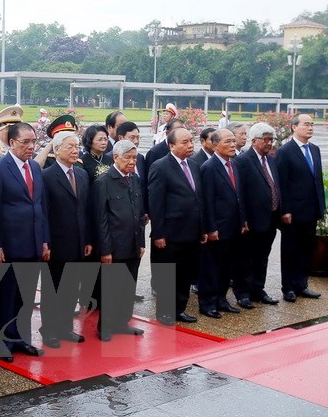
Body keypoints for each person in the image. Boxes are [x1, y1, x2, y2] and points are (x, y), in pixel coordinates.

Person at [0, 122, 50, 360]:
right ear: (11, 143)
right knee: (6, 297)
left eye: (33, 142)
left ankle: (21, 338)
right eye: (25, 142)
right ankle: (3, 342)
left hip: (33, 244)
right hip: (10, 247)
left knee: (26, 297)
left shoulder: (34, 167)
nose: (31, 147)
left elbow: (40, 207)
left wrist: (44, 241)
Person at [148, 127, 205, 325]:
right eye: (185, 142)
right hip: (170, 233)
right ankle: (165, 312)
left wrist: (202, 229)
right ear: (171, 145)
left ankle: (179, 309)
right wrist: (159, 233)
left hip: (192, 231)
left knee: (185, 274)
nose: (190, 145)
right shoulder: (160, 166)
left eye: (191, 141)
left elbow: (199, 199)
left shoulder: (195, 165)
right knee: (167, 275)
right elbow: (156, 203)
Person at [40, 127, 91, 347]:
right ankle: (49, 329)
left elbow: (85, 210)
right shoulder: (47, 176)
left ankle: (65, 327)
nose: (75, 151)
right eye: (70, 147)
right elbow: (43, 212)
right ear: (57, 149)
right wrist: (46, 242)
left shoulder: (81, 173)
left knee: (71, 288)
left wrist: (88, 239)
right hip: (56, 243)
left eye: (77, 147)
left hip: (79, 242)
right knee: (53, 288)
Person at [94, 140, 146, 340]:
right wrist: (105, 250)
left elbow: (138, 214)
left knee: (128, 287)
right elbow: (101, 219)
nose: (132, 162)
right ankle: (105, 327)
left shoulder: (134, 179)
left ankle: (122, 322)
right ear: (115, 157)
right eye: (128, 158)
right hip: (114, 246)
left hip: (133, 243)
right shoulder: (103, 182)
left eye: (134, 158)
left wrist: (141, 242)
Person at [198, 129, 246, 319]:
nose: (233, 145)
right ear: (215, 145)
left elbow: (239, 196)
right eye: (228, 141)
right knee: (212, 267)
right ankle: (207, 303)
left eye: (234, 141)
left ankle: (221, 299)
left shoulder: (234, 164)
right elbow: (207, 201)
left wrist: (242, 221)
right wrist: (210, 228)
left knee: (227, 266)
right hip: (217, 228)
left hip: (234, 226)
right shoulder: (209, 168)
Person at [275, 114, 324, 303]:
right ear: (294, 127)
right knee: (290, 250)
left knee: (307, 248)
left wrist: (321, 206)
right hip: (293, 212)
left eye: (312, 124)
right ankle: (288, 287)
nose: (310, 128)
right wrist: (284, 210)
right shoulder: (285, 151)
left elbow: (317, 180)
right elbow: (282, 183)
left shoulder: (315, 149)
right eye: (306, 124)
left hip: (311, 210)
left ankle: (302, 284)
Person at [233, 123, 281, 308]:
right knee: (246, 258)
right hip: (251, 221)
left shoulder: (271, 159)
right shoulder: (243, 161)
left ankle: (258, 289)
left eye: (271, 139)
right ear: (254, 141)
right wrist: (242, 219)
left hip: (270, 218)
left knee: (263, 256)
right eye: (266, 139)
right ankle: (242, 292)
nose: (269, 143)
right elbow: (239, 193)